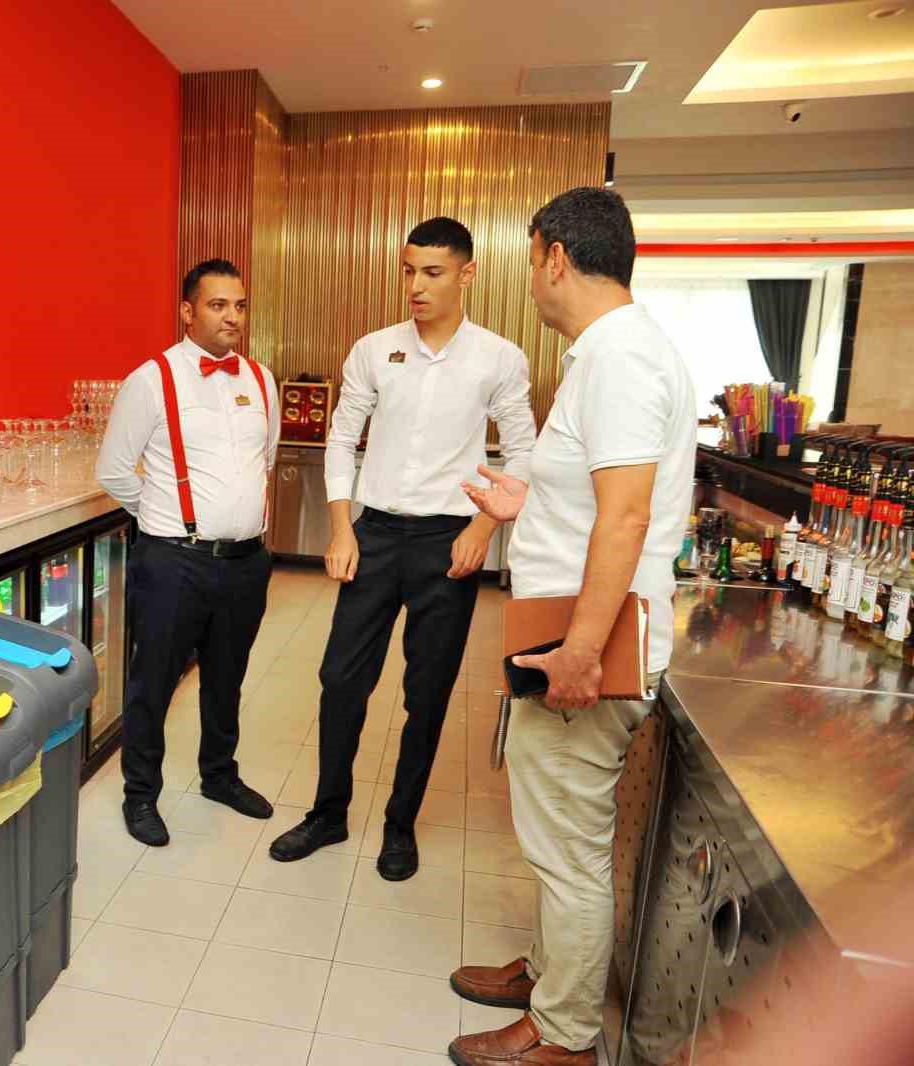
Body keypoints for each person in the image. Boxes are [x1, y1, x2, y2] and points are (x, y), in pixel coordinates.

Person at [449, 186, 697, 1066]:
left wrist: (581, 652)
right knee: (555, 833)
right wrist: (528, 502)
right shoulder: (613, 352)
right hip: (561, 627)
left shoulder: (620, 358)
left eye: (530, 263)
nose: (531, 281)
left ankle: (561, 1034)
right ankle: (548, 972)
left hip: (584, 642)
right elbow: (597, 502)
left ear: (556, 257)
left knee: (570, 850)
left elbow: (626, 517)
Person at [267, 217, 536, 882]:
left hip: (451, 541)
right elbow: (342, 437)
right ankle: (328, 813)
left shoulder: (499, 358)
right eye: (409, 271)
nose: (416, 285)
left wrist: (482, 531)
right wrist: (340, 528)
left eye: (432, 272)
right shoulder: (373, 349)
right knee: (341, 679)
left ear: (467, 274)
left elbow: (524, 451)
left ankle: (400, 824)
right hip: (377, 534)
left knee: (428, 691)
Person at [96, 258, 279, 846]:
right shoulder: (152, 380)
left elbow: (265, 461)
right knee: (153, 682)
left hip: (246, 562)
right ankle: (140, 794)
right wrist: (164, 518)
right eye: (218, 305)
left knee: (227, 678)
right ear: (187, 311)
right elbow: (114, 470)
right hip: (174, 561)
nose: (232, 317)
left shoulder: (261, 380)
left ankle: (219, 776)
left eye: (240, 306)